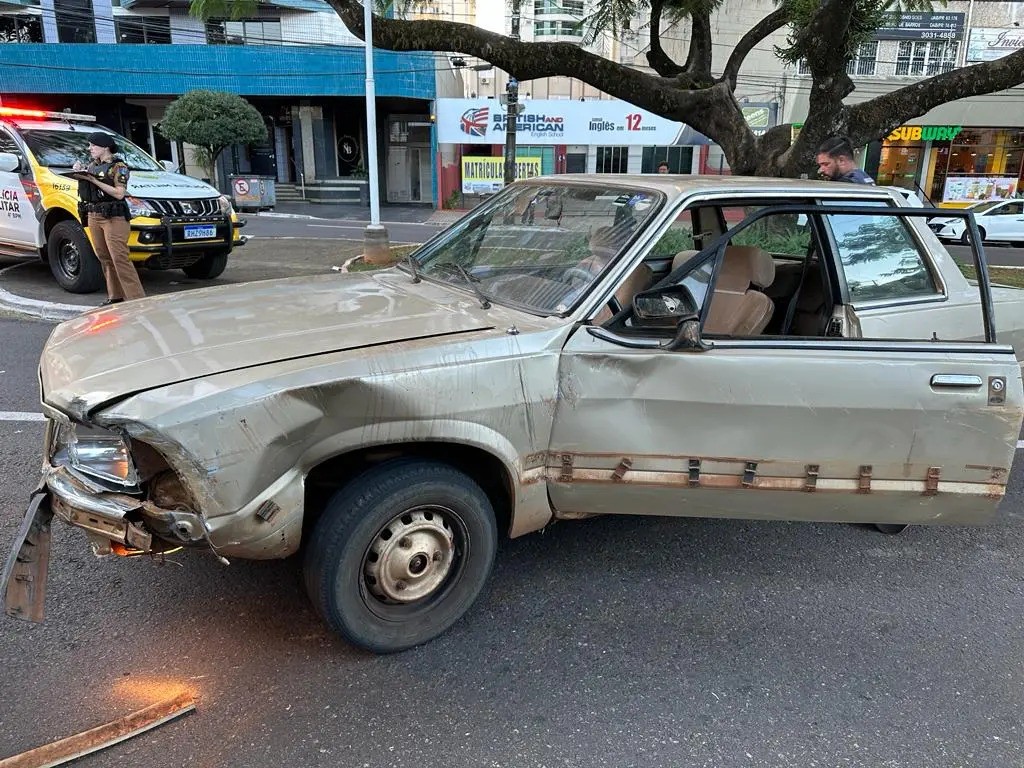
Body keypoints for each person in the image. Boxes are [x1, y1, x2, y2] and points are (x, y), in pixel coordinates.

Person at [73, 132, 145, 305]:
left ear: (105, 147)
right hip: (94, 214)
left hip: (114, 216)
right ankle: (115, 296)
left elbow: (119, 194)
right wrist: (79, 173)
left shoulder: (118, 167)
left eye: (93, 145)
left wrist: (93, 179)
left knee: (119, 257)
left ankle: (137, 299)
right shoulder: (91, 166)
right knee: (104, 256)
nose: (89, 149)